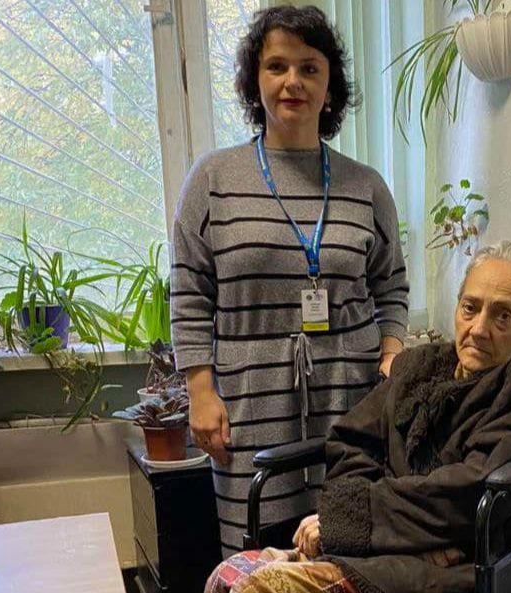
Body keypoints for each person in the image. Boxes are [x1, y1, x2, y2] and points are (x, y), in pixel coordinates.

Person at [203, 241, 511, 593]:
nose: (478, 329)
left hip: (460, 561)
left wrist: (351, 521)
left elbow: (468, 490)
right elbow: (352, 441)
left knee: (260, 588)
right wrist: (354, 524)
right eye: (470, 307)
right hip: (383, 546)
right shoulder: (420, 368)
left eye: (503, 316)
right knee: (226, 575)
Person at [171, 5, 409, 556]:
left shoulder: (366, 187)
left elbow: (391, 284)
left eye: (309, 68)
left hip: (351, 403)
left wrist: (391, 353)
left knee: (345, 553)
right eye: (277, 66)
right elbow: (188, 291)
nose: (293, 82)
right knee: (258, 562)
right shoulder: (212, 180)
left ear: (330, 88)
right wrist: (200, 391)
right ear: (255, 81)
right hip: (249, 406)